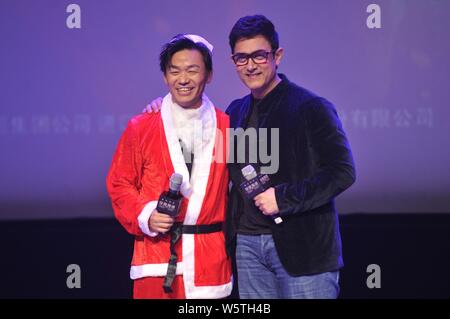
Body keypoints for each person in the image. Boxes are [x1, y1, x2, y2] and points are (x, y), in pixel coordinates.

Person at [145, 15, 356, 299]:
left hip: (304, 249)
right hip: (247, 247)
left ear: (277, 55)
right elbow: (200, 145)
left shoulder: (311, 107)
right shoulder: (234, 112)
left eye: (259, 55)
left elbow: (342, 172)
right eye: (241, 58)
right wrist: (165, 108)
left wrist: (283, 198)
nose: (250, 65)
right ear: (233, 62)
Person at [107, 34, 232, 299]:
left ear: (209, 74)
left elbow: (248, 180)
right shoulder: (141, 126)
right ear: (165, 77)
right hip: (156, 260)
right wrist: (146, 215)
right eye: (174, 71)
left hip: (209, 263)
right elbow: (119, 184)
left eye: (192, 70)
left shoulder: (227, 127)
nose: (183, 79)